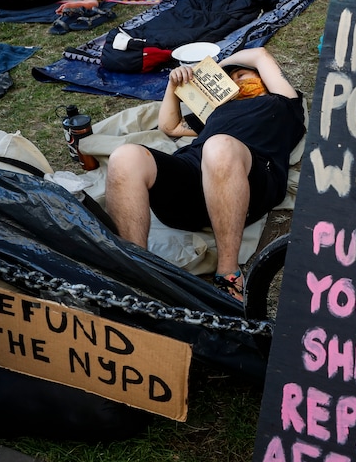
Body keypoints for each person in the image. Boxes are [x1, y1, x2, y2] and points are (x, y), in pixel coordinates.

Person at [105, 47, 306, 302]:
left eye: (241, 75)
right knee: (124, 156)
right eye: (229, 79)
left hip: (250, 177)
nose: (234, 81)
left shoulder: (284, 102)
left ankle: (228, 273)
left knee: (219, 146)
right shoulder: (218, 111)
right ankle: (138, 274)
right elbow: (170, 126)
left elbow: (260, 55)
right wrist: (173, 86)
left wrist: (213, 67)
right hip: (191, 180)